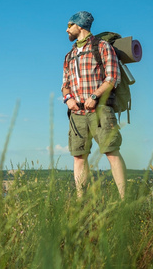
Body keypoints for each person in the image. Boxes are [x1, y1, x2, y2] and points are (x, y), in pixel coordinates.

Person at [61, 11, 127, 199]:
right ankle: (81, 201)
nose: (67, 29)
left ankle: (124, 200)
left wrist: (95, 95)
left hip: (100, 111)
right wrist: (68, 99)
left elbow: (113, 77)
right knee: (78, 157)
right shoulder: (69, 56)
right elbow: (65, 85)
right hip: (77, 113)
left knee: (111, 152)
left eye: (70, 25)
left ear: (80, 26)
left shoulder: (103, 47)